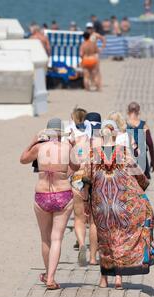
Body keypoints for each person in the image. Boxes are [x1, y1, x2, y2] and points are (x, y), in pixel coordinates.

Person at [83, 120, 154, 290]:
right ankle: (118, 278)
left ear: (102, 136)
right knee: (120, 237)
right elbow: (137, 172)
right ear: (115, 135)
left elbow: (86, 179)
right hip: (121, 201)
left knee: (105, 240)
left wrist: (86, 201)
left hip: (100, 202)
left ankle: (103, 279)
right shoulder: (123, 152)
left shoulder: (93, 154)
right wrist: (143, 185)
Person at [20, 118, 80, 290]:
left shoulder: (39, 147)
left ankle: (47, 273)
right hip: (62, 194)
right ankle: (51, 278)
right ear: (61, 133)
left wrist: (32, 141)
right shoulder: (67, 147)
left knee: (45, 239)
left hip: (42, 195)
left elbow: (23, 159)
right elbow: (76, 166)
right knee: (57, 238)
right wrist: (74, 145)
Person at [68, 109, 100, 266]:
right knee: (94, 221)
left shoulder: (76, 140)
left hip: (78, 177)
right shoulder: (98, 141)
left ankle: (81, 244)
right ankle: (93, 258)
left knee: (79, 218)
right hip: (94, 178)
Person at [126, 102, 154, 180]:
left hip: (127, 158)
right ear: (139, 112)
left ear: (128, 112)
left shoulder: (124, 125)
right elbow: (150, 144)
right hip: (141, 159)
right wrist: (152, 161)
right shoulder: (143, 125)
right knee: (142, 186)